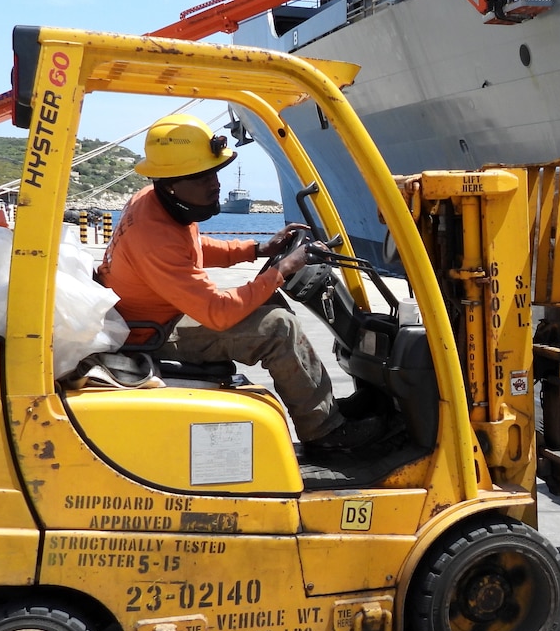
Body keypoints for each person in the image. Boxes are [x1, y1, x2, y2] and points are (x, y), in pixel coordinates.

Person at [97, 115, 386, 456]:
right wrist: (283, 269)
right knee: (278, 328)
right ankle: (325, 433)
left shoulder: (156, 202)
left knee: (271, 305)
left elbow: (193, 247)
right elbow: (218, 313)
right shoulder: (154, 236)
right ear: (171, 182)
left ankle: (323, 408)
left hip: (157, 318)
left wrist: (257, 249)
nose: (214, 184)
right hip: (153, 335)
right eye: (202, 177)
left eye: (214, 173)